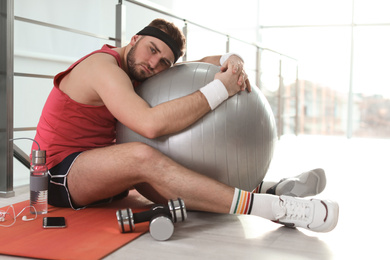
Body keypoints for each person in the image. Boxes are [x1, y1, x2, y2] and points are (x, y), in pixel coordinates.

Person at [32, 18, 338, 232]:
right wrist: (222, 89)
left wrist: (234, 60)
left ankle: (269, 188)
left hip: (102, 172)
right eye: (152, 50)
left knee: (166, 157)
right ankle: (273, 208)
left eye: (164, 61)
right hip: (58, 175)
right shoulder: (103, 67)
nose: (155, 65)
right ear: (135, 39)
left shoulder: (140, 72)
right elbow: (150, 125)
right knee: (142, 153)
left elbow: (199, 63)